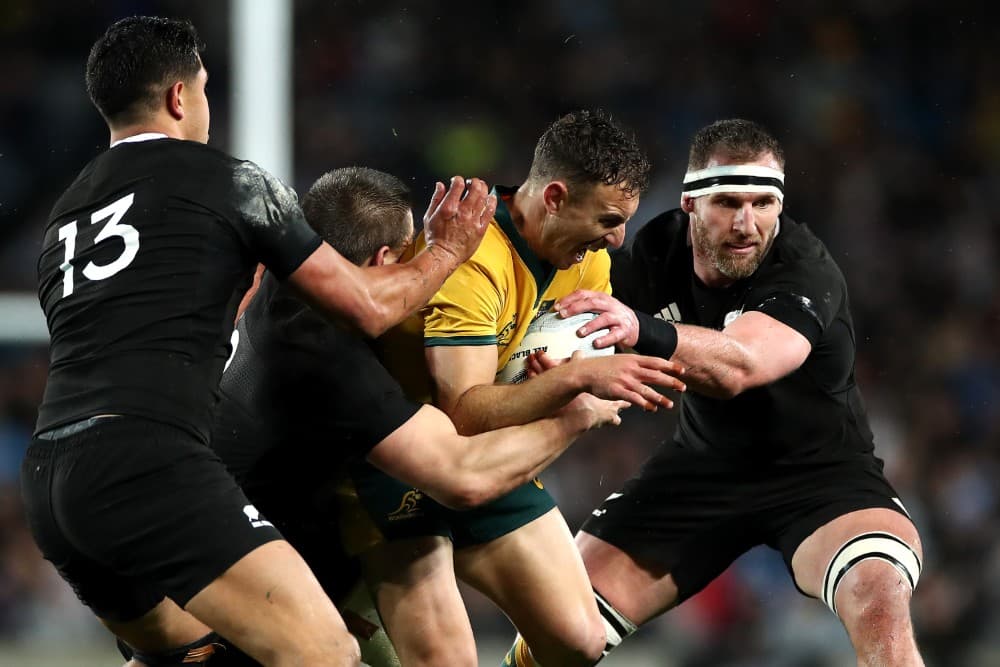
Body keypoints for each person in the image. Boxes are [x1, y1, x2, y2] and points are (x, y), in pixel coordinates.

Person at [21, 16, 494, 667]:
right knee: (326, 652)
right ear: (180, 97)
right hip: (149, 458)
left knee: (192, 655)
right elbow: (369, 303)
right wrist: (446, 251)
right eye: (207, 89)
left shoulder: (65, 215)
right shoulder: (230, 181)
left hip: (51, 476)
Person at [208, 165, 632, 665]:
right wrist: (574, 411)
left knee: (577, 639)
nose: (424, 265)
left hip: (243, 516)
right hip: (273, 556)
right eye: (414, 251)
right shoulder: (331, 360)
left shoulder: (282, 284)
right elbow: (460, 477)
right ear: (383, 259)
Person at [550, 118, 926, 666]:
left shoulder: (804, 269)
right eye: (727, 201)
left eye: (763, 203)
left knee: (878, 601)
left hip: (823, 478)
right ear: (690, 205)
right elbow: (577, 323)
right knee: (560, 623)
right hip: (701, 469)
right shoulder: (655, 254)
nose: (747, 223)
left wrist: (641, 329)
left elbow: (741, 365)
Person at [355, 109, 687, 667]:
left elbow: (534, 388)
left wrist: (558, 385)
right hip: (397, 464)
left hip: (488, 459)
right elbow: (460, 413)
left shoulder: (587, 261)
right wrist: (577, 382)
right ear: (554, 197)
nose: (617, 238)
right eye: (608, 218)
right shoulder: (474, 257)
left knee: (579, 641)